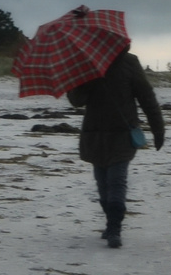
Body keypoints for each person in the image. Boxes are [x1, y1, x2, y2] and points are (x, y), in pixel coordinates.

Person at [66, 50, 165, 248]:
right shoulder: (85, 64)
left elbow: (146, 97)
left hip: (122, 134)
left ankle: (114, 228)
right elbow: (77, 100)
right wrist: (81, 78)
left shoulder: (128, 62)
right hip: (95, 135)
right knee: (103, 185)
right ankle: (111, 224)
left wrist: (158, 129)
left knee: (116, 182)